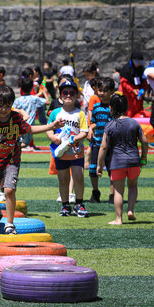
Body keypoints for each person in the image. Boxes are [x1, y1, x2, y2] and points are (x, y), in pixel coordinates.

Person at [0, 85, 62, 233]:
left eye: (8, 106)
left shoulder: (16, 118)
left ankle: (9, 224)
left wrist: (51, 126)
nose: (4, 110)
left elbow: (29, 129)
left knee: (9, 190)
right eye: (0, 106)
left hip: (12, 159)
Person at [97, 93, 148, 224]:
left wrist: (99, 164)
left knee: (118, 190)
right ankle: (130, 210)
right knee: (132, 186)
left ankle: (118, 218)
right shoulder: (134, 123)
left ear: (111, 109)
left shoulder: (109, 125)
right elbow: (145, 141)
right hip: (134, 161)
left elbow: (103, 147)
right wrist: (143, 156)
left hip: (117, 162)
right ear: (126, 107)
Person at [47, 80, 89, 217]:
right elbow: (49, 128)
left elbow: (84, 131)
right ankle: (65, 205)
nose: (68, 95)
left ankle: (79, 203)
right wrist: (53, 138)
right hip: (61, 153)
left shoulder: (80, 113)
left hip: (76, 152)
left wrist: (76, 139)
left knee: (78, 176)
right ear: (60, 96)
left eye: (72, 93)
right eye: (65, 92)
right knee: (63, 178)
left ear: (76, 95)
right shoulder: (55, 113)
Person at [87, 77, 115, 203]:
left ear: (112, 92)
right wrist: (90, 129)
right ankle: (95, 191)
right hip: (97, 142)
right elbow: (93, 123)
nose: (102, 93)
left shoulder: (114, 107)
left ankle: (113, 194)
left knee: (112, 169)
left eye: (105, 91)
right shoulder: (96, 107)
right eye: (100, 90)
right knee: (93, 169)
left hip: (112, 144)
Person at [13, 77, 49, 151]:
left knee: (20, 141)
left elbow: (13, 109)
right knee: (25, 143)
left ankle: (11, 148)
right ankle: (11, 148)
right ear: (31, 88)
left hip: (19, 125)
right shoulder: (34, 99)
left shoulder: (18, 100)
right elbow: (47, 102)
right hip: (29, 126)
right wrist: (44, 92)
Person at [119, 52, 147, 118]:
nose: (138, 65)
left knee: (139, 112)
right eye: (137, 63)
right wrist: (132, 90)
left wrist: (143, 89)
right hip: (129, 95)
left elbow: (144, 82)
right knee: (129, 111)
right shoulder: (125, 70)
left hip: (138, 94)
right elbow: (124, 83)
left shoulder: (142, 69)